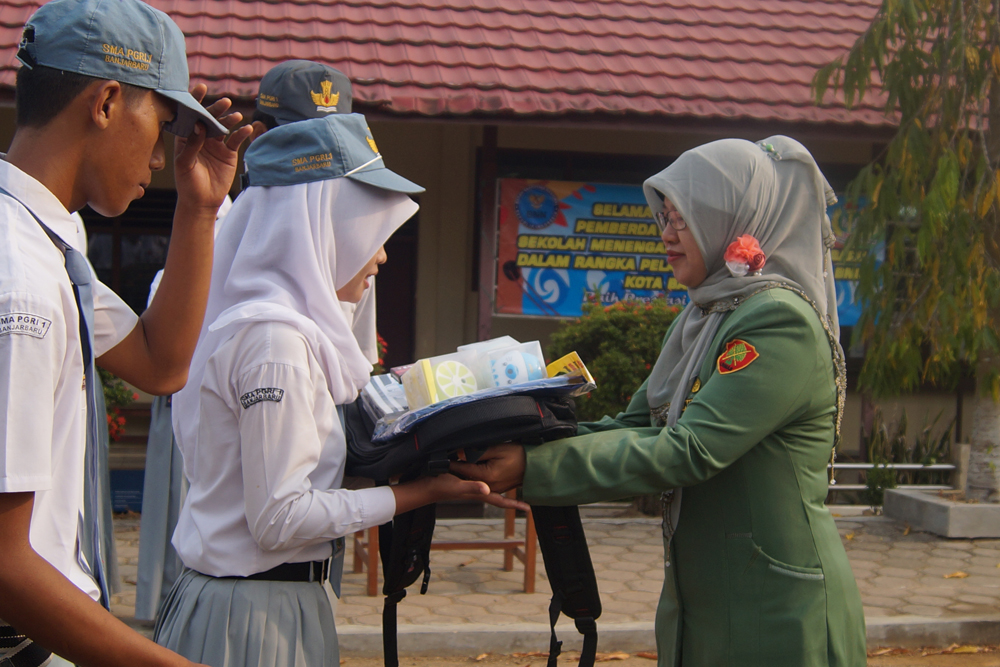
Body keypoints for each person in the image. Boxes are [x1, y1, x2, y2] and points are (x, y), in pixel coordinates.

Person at [454, 136, 866, 667]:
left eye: (683, 218)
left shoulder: (779, 322)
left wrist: (534, 467)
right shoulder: (703, 317)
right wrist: (523, 438)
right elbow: (636, 425)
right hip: (710, 598)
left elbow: (690, 449)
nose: (666, 234)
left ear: (735, 219)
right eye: (664, 218)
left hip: (776, 607)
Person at [154, 112, 525, 667]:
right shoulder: (275, 345)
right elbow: (280, 518)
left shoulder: (285, 334)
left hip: (266, 600)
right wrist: (424, 493)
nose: (380, 255)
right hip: (253, 617)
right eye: (370, 230)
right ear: (320, 227)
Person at [0, 0, 253, 665]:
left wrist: (199, 208)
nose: (162, 157)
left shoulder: (47, 246)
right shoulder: (20, 281)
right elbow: (3, 564)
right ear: (108, 102)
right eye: (162, 124)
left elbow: (159, 362)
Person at [135, 60, 359, 622]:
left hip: (291, 500)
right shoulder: (211, 228)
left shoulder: (339, 242)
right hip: (222, 464)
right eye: (294, 139)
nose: (312, 163)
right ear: (255, 139)